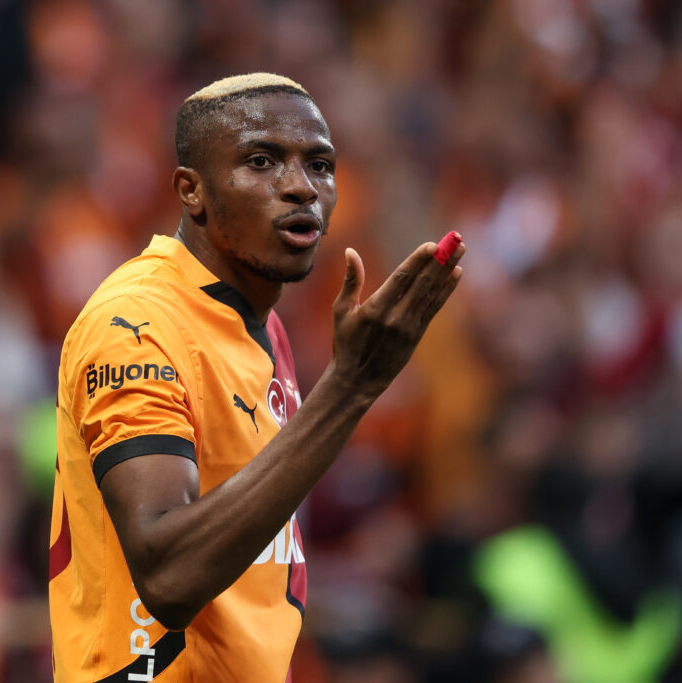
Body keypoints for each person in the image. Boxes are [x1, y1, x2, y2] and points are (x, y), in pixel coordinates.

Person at [48, 73, 465, 682]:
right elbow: (167, 576)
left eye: (319, 165)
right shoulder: (135, 322)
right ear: (192, 191)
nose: (301, 187)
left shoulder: (264, 330)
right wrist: (348, 390)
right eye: (262, 161)